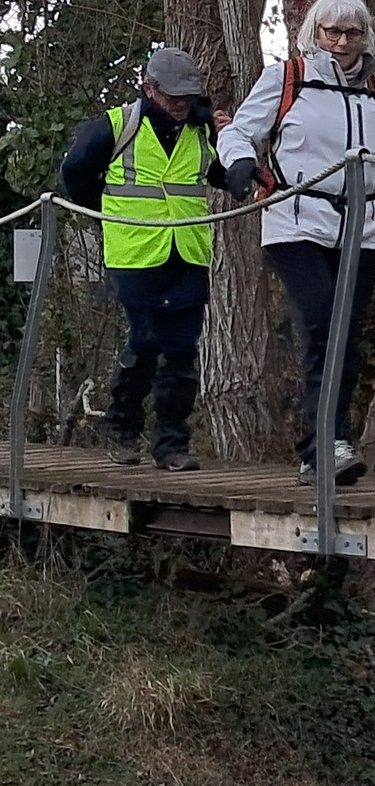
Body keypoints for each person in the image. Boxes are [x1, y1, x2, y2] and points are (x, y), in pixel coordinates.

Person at [216, 0, 375, 487]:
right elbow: (238, 132)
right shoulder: (286, 78)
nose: (340, 41)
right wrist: (241, 163)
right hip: (295, 222)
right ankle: (326, 444)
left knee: (345, 334)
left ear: (365, 36)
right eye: (331, 31)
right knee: (321, 321)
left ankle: (323, 449)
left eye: (351, 32)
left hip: (362, 230)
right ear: (314, 32)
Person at [59, 47, 232, 471]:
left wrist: (233, 142)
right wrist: (107, 215)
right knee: (147, 340)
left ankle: (172, 444)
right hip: (135, 255)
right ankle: (122, 428)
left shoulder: (203, 130)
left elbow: (224, 177)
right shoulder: (114, 126)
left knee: (182, 350)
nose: (181, 104)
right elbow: (74, 176)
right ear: (149, 89)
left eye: (188, 96)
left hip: (188, 253)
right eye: (173, 96)